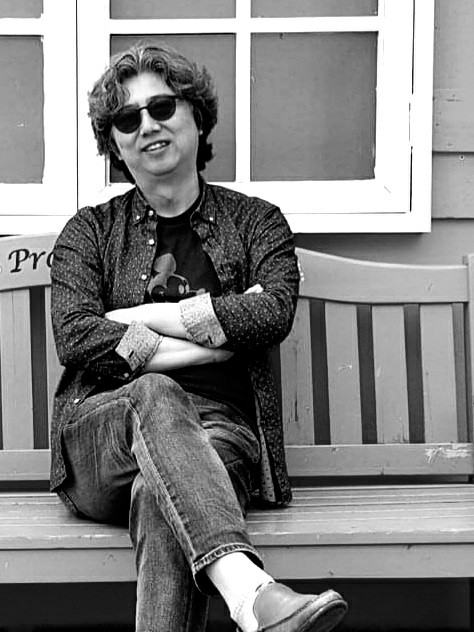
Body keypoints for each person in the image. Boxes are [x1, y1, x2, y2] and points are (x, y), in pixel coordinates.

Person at [50, 42, 348, 632]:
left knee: (159, 496)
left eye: (162, 107)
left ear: (196, 115)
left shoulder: (257, 221)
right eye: (128, 119)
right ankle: (251, 592)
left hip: (221, 435)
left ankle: (252, 602)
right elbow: (77, 336)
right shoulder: (90, 231)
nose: (148, 125)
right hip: (103, 436)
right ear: (115, 143)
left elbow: (272, 314)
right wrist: (216, 338)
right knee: (155, 393)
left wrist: (140, 317)